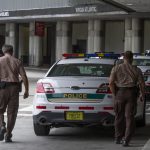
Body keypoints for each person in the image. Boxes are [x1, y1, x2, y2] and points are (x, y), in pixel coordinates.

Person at [109, 51, 145, 147]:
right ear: (132, 58)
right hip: (131, 94)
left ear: (123, 58)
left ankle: (118, 138)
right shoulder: (136, 69)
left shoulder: (116, 68)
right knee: (129, 118)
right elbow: (142, 84)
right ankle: (126, 140)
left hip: (119, 93)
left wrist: (114, 94)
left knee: (118, 116)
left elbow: (111, 83)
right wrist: (142, 94)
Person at [0, 44, 29, 142]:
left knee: (0, 109)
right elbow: (24, 76)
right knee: (12, 113)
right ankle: (8, 135)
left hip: (2, 88)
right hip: (14, 88)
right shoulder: (17, 61)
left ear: (3, 51)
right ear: (12, 51)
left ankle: (1, 125)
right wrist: (26, 90)